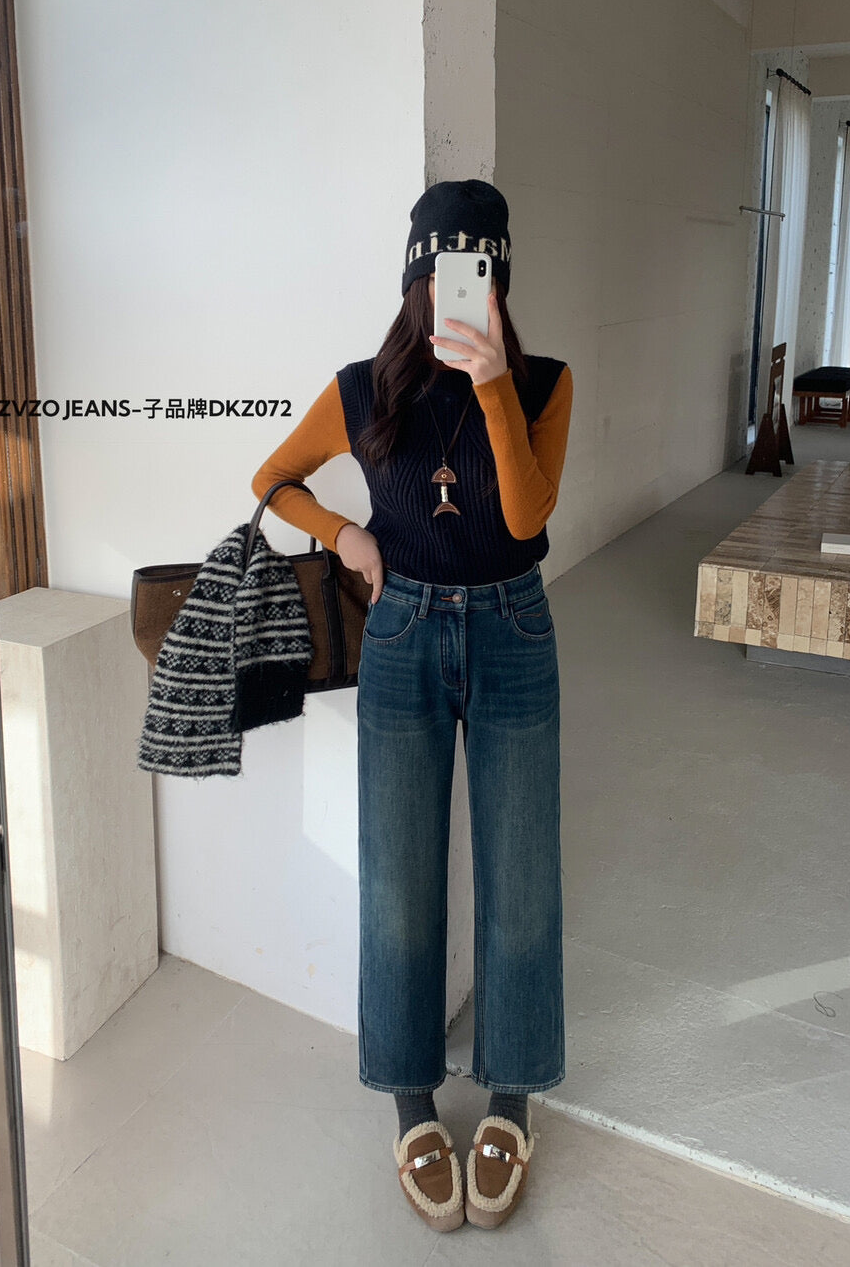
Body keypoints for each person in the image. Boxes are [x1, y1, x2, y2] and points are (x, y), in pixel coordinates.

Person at [250, 179, 573, 1232]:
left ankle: (511, 1095)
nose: (454, 292)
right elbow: (273, 478)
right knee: (400, 878)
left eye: (476, 275)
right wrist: (345, 535)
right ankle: (410, 1102)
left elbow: (524, 521)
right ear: (412, 279)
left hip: (514, 626)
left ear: (499, 282)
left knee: (521, 876)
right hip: (402, 634)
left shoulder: (543, 383)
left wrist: (492, 387)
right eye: (438, 274)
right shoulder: (361, 390)